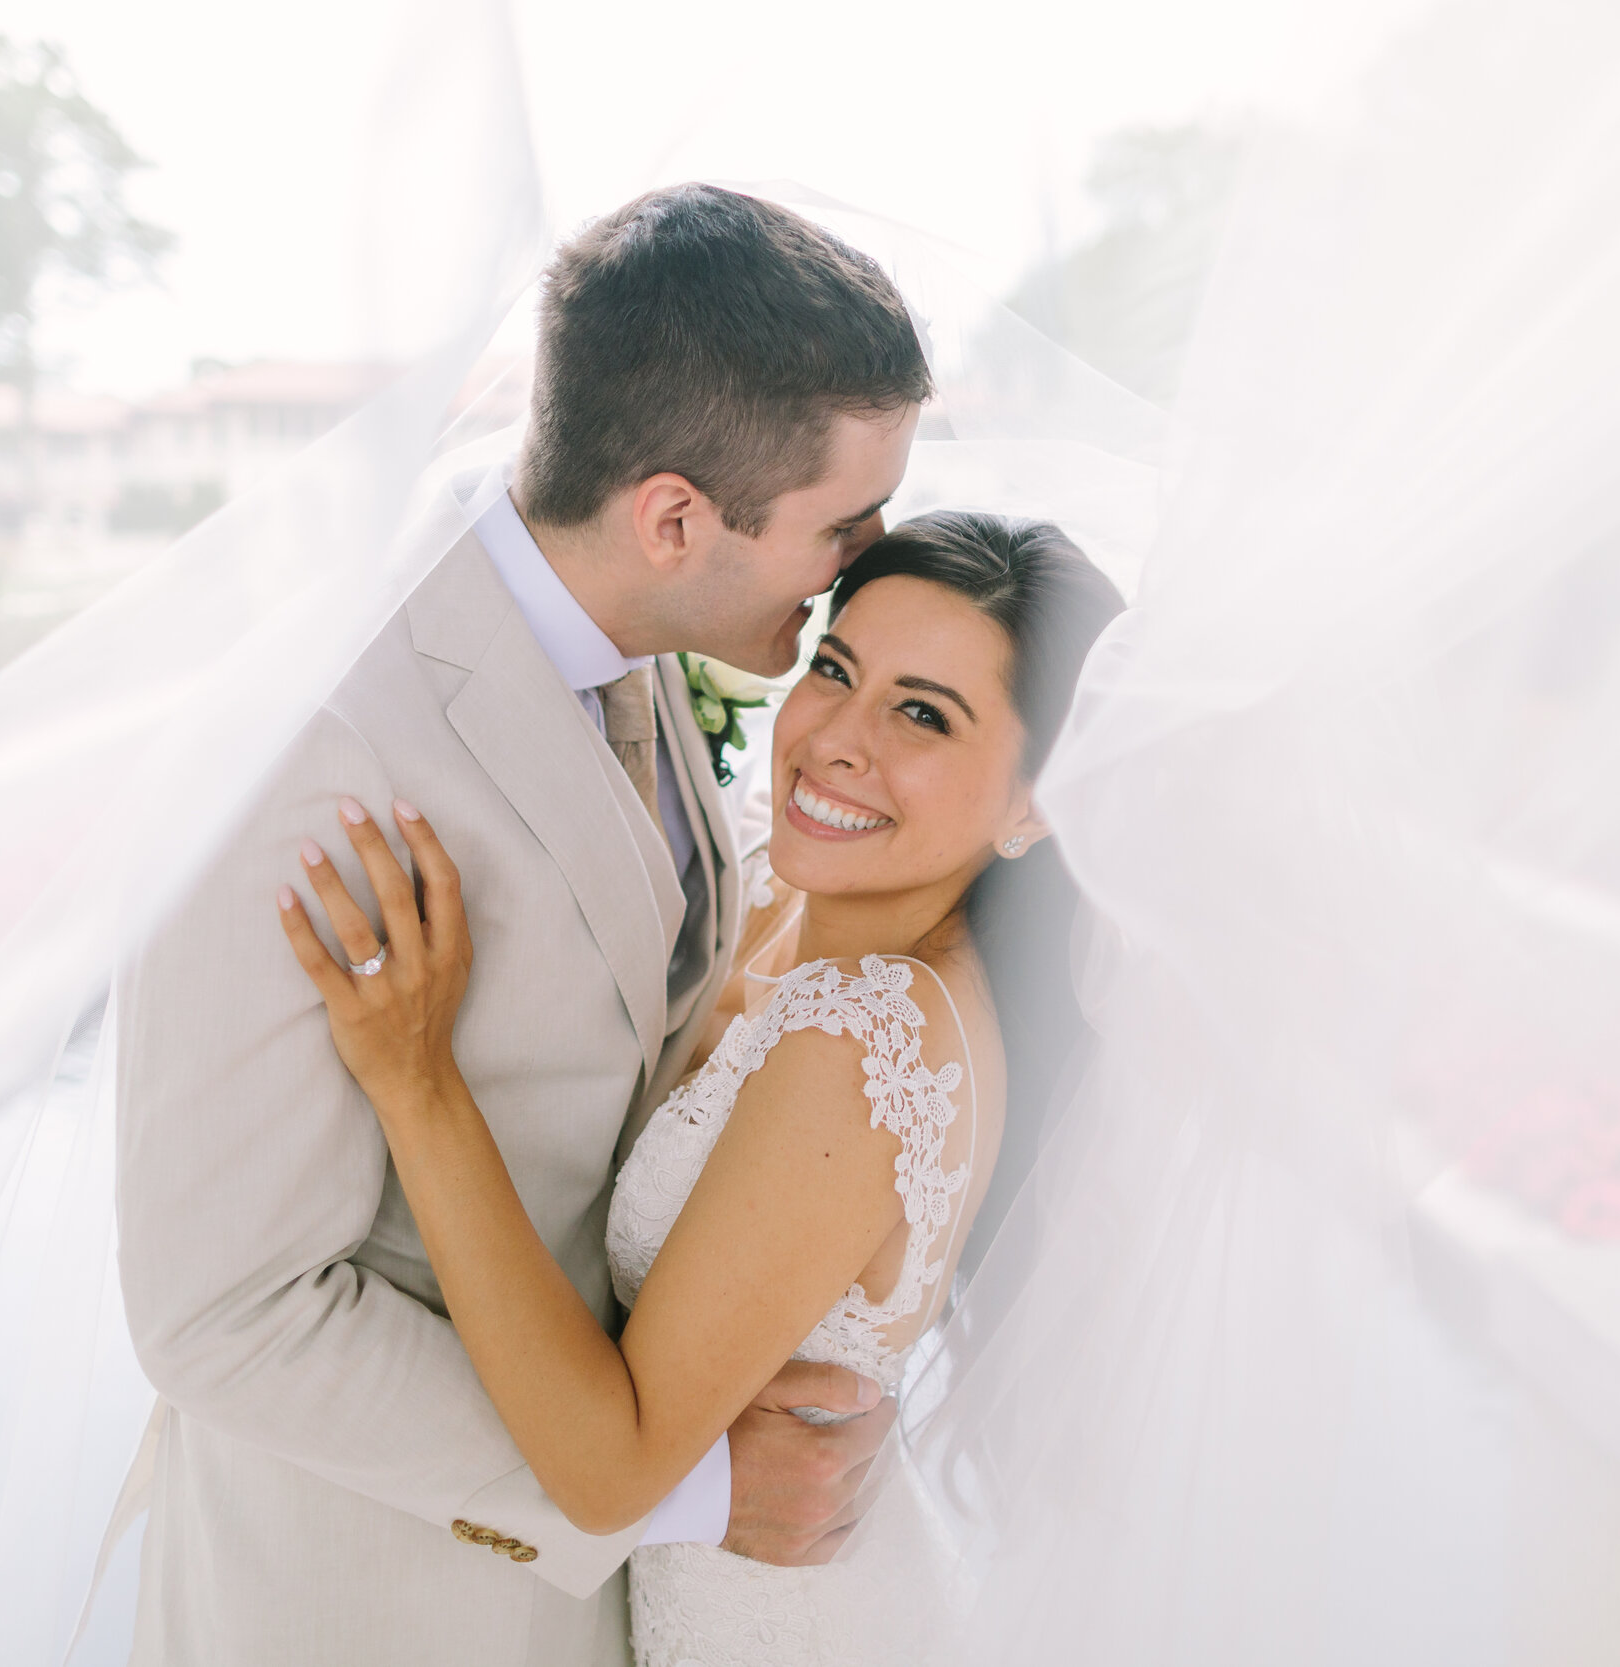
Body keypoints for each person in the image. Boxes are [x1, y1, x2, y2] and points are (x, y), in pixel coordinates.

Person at [112, 183, 931, 1664]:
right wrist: (677, 1487)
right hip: (373, 1601)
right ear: (674, 515)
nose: (861, 570)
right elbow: (222, 1311)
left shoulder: (616, 618)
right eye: (845, 526)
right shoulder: (316, 751)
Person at [281, 511, 1126, 1665]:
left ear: (1035, 802)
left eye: (922, 712)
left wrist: (418, 1079)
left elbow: (609, 1467)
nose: (835, 734)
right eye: (835, 667)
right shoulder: (775, 907)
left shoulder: (866, 1035)